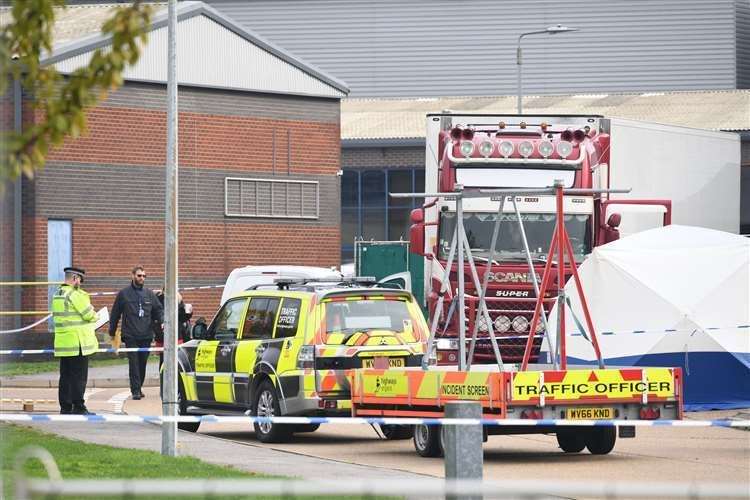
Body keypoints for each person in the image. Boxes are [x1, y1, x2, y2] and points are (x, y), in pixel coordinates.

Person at [109, 266, 163, 400]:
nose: (142, 278)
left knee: (142, 362)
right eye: (139, 275)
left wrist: (162, 321)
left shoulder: (149, 294)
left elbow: (158, 310)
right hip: (130, 335)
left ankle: (139, 386)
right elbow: (115, 313)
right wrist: (112, 331)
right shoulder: (124, 294)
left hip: (146, 335)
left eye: (144, 276)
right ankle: (135, 390)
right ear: (133, 275)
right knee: (133, 363)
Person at [52, 266, 99, 415]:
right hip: (78, 342)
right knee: (79, 377)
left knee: (65, 376)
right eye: (80, 279)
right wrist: (95, 313)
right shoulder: (74, 294)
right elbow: (88, 315)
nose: (80, 283)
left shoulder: (57, 294)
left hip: (63, 343)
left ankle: (65, 407)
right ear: (74, 278)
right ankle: (78, 406)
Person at [153, 290, 193, 370]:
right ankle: (163, 378)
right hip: (163, 336)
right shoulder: (158, 300)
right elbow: (155, 316)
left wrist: (189, 312)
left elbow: (183, 317)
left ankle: (174, 378)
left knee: (176, 359)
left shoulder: (177, 299)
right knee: (163, 359)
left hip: (176, 335)